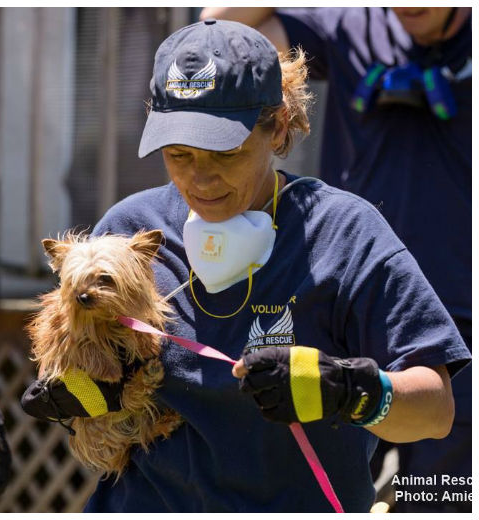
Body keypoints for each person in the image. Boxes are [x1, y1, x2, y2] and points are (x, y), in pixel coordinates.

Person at [61, 19, 469, 512]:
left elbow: (435, 411)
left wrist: (352, 391)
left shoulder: (342, 232)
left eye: (226, 152)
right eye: (178, 154)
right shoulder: (127, 232)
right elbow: (84, 361)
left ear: (276, 127)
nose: (201, 178)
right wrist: (80, 391)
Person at [199, 8, 472, 512]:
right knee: (333, 494)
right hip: (348, 313)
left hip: (457, 325)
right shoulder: (352, 26)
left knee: (441, 500)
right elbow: (219, 27)